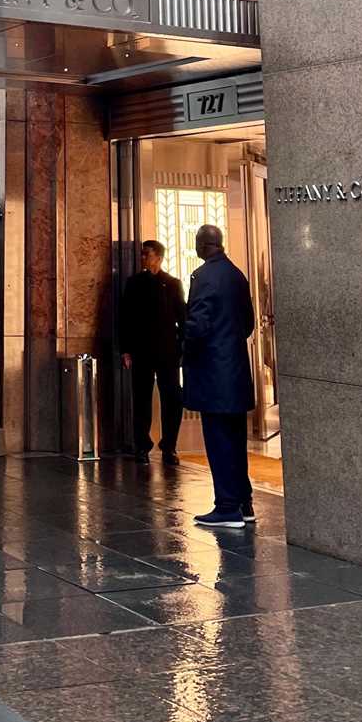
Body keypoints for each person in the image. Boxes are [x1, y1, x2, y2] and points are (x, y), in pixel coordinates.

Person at [182, 223, 256, 529]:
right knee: (236, 440)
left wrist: (179, 335)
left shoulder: (205, 277)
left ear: (201, 246)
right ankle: (244, 502)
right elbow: (248, 323)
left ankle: (226, 507)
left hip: (213, 373)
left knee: (218, 440)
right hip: (236, 370)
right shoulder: (236, 275)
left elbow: (198, 325)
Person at [119, 238, 186, 465]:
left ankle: (170, 446)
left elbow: (182, 317)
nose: (143, 258)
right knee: (141, 400)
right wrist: (126, 349)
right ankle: (142, 446)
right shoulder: (134, 283)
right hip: (141, 351)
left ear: (158, 256)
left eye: (147, 254)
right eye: (142, 254)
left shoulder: (173, 283)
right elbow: (125, 318)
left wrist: (184, 348)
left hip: (168, 352)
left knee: (172, 399)